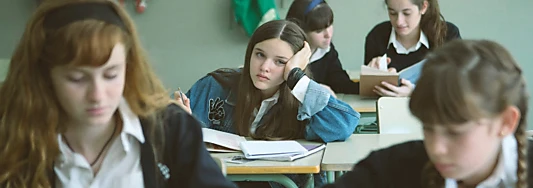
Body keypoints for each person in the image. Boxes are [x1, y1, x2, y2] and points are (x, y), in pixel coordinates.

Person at [0, 0, 267, 188]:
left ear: (128, 67)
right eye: (77, 79)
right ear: (44, 78)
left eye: (111, 74)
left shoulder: (168, 129)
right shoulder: (17, 136)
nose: (98, 96)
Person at [276, 39, 533, 188]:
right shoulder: (397, 165)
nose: (437, 148)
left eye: (455, 133)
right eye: (429, 128)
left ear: (505, 122)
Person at [179, 19, 360, 143]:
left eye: (280, 62)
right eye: (260, 55)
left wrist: (296, 78)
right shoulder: (215, 86)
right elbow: (177, 140)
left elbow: (344, 126)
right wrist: (177, 121)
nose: (265, 67)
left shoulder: (305, 99)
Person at [364, 0, 461, 97]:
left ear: (423, 7)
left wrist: (415, 93)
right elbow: (369, 94)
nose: (399, 21)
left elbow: (459, 86)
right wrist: (373, 75)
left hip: (432, 110)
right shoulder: (377, 36)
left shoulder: (447, 34)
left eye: (407, 13)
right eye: (392, 13)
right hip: (386, 109)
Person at [285, 0, 359, 95]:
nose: (328, 34)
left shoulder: (326, 49)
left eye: (330, 25)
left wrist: (370, 85)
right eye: (319, 31)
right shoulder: (286, 55)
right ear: (301, 31)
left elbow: (340, 83)